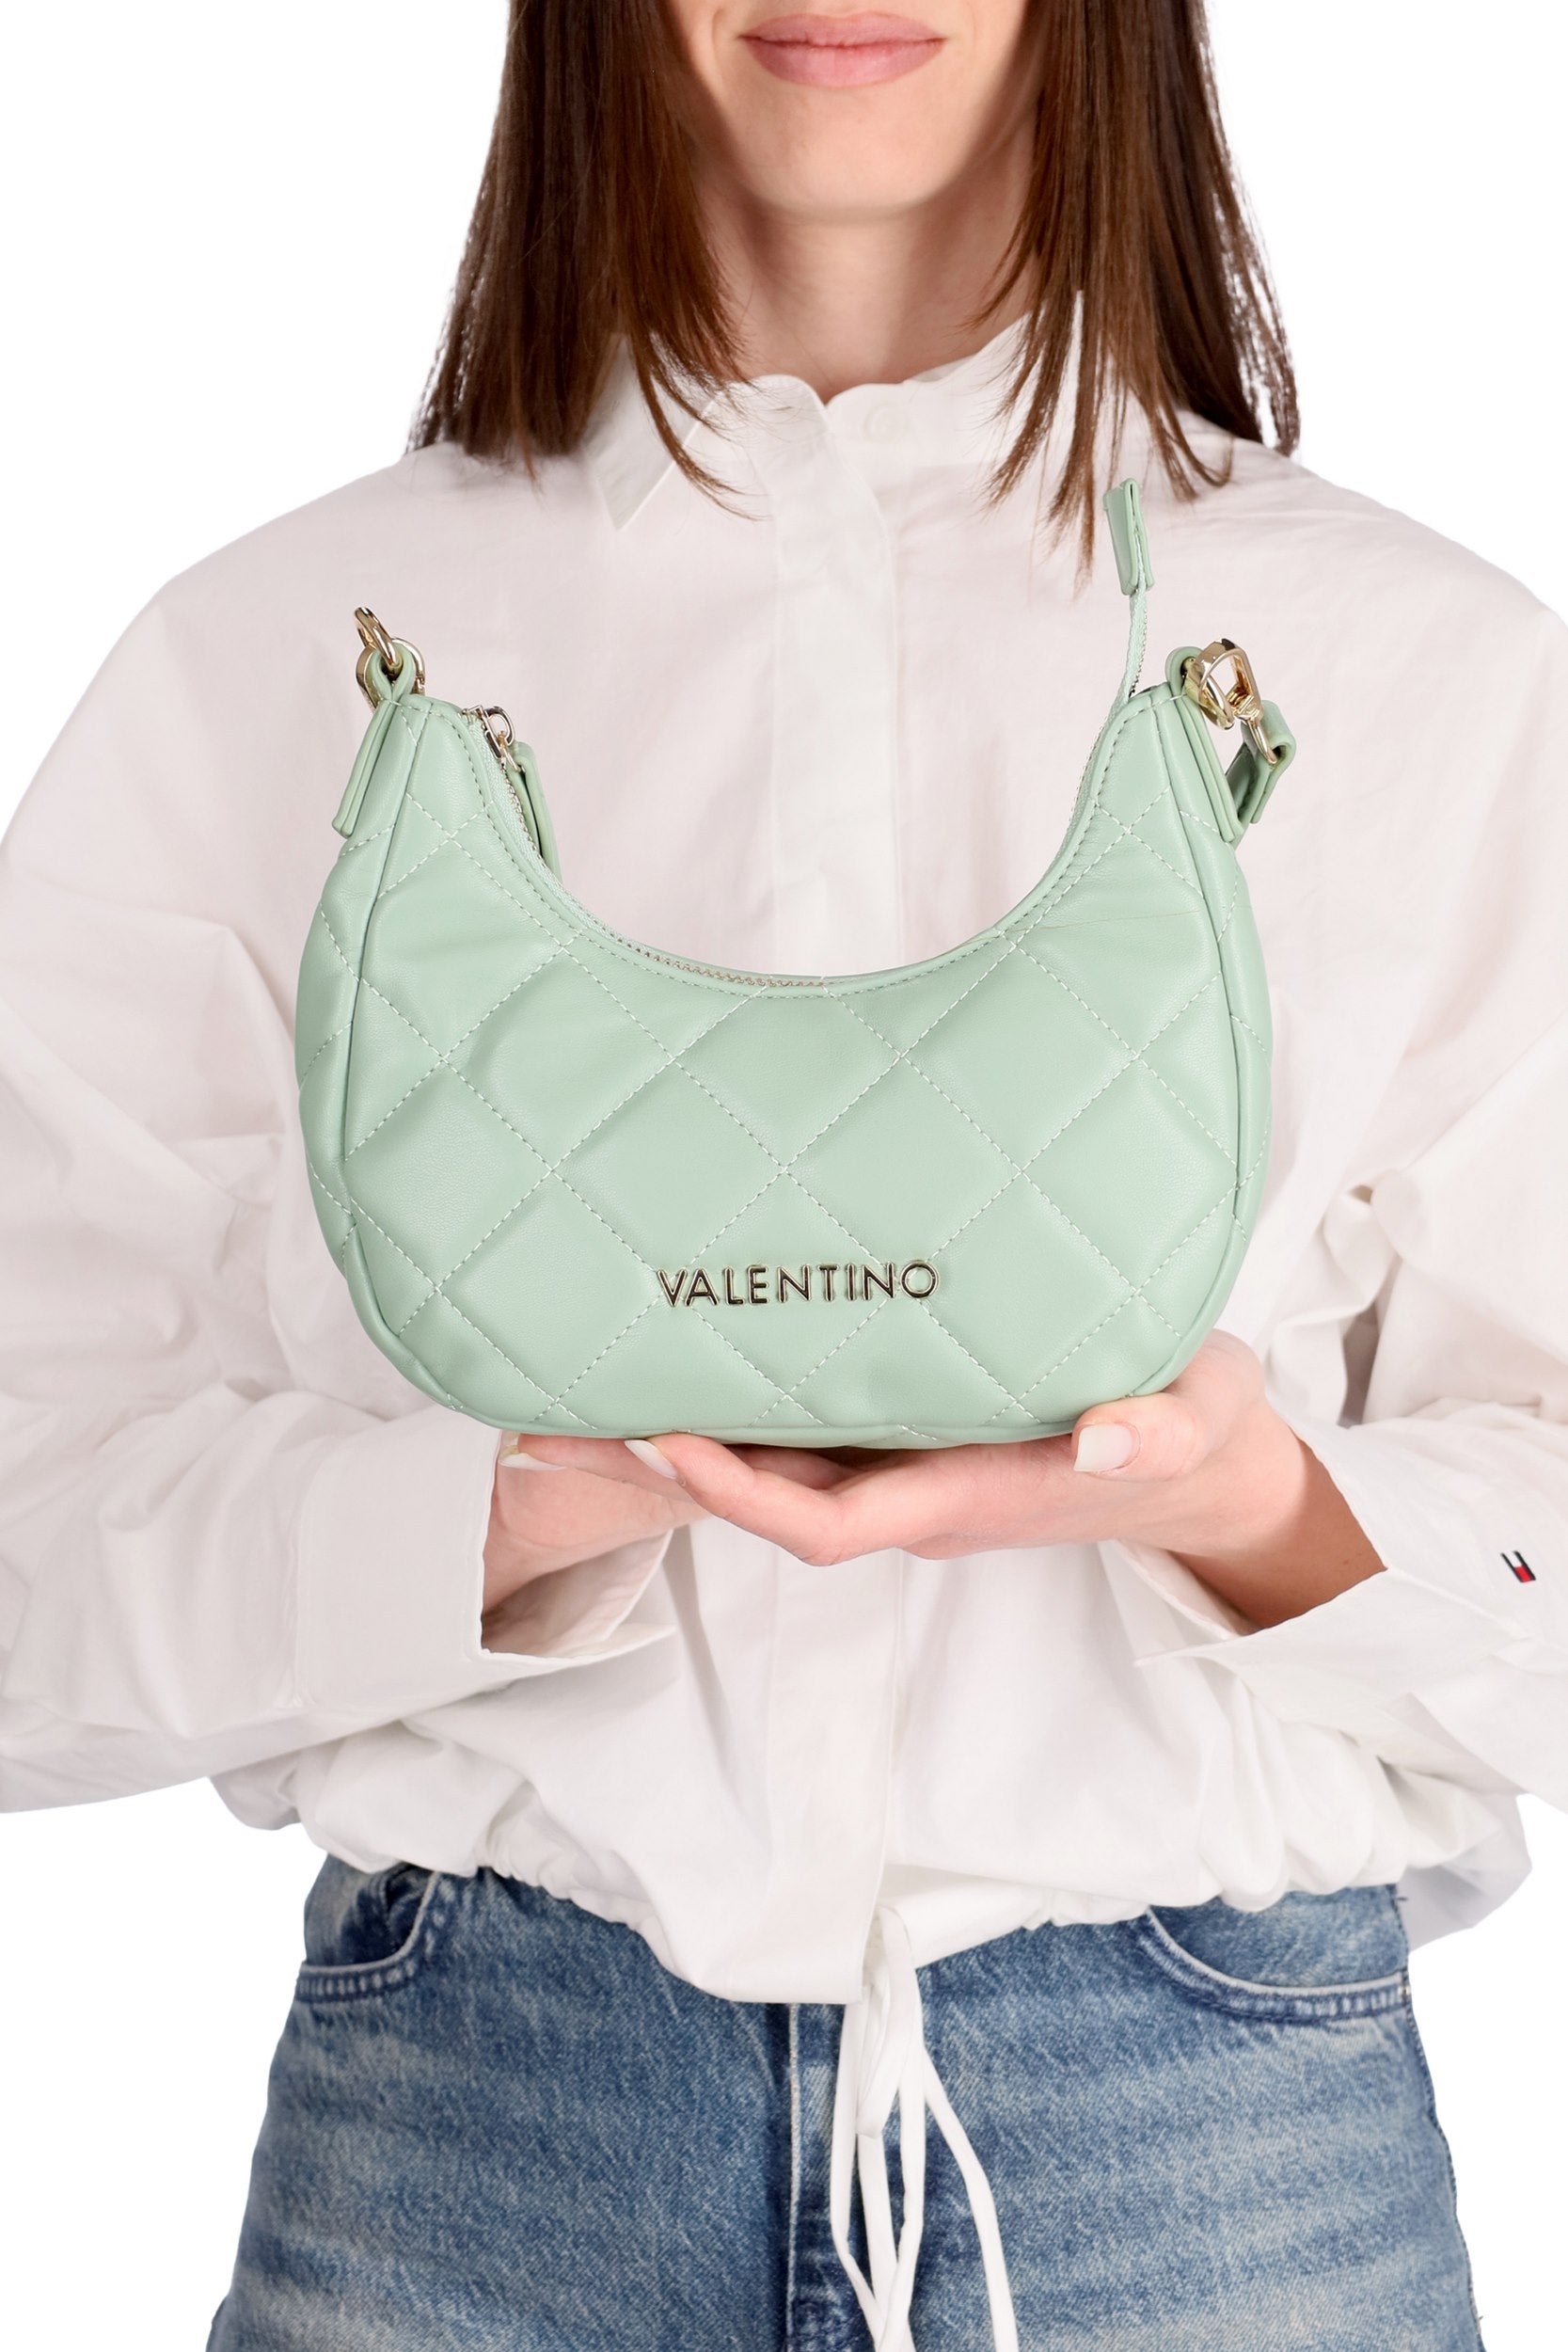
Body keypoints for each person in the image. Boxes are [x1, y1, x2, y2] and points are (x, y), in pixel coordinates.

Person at [3, 3, 1565, 2345]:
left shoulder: (1431, 669)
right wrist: (495, 1519)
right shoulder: (271, 661)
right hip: (469, 2149)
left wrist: (1252, 1508)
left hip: (1223, 2182)